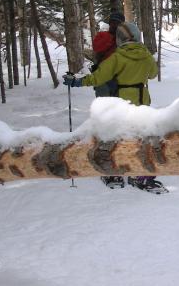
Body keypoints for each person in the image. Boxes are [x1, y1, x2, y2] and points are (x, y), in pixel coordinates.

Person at [63, 22, 167, 194]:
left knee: (118, 137)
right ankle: (141, 175)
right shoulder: (146, 55)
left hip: (122, 102)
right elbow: (153, 74)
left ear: (120, 39)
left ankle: (115, 172)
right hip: (143, 100)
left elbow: (98, 77)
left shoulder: (118, 57)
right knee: (141, 137)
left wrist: (77, 81)